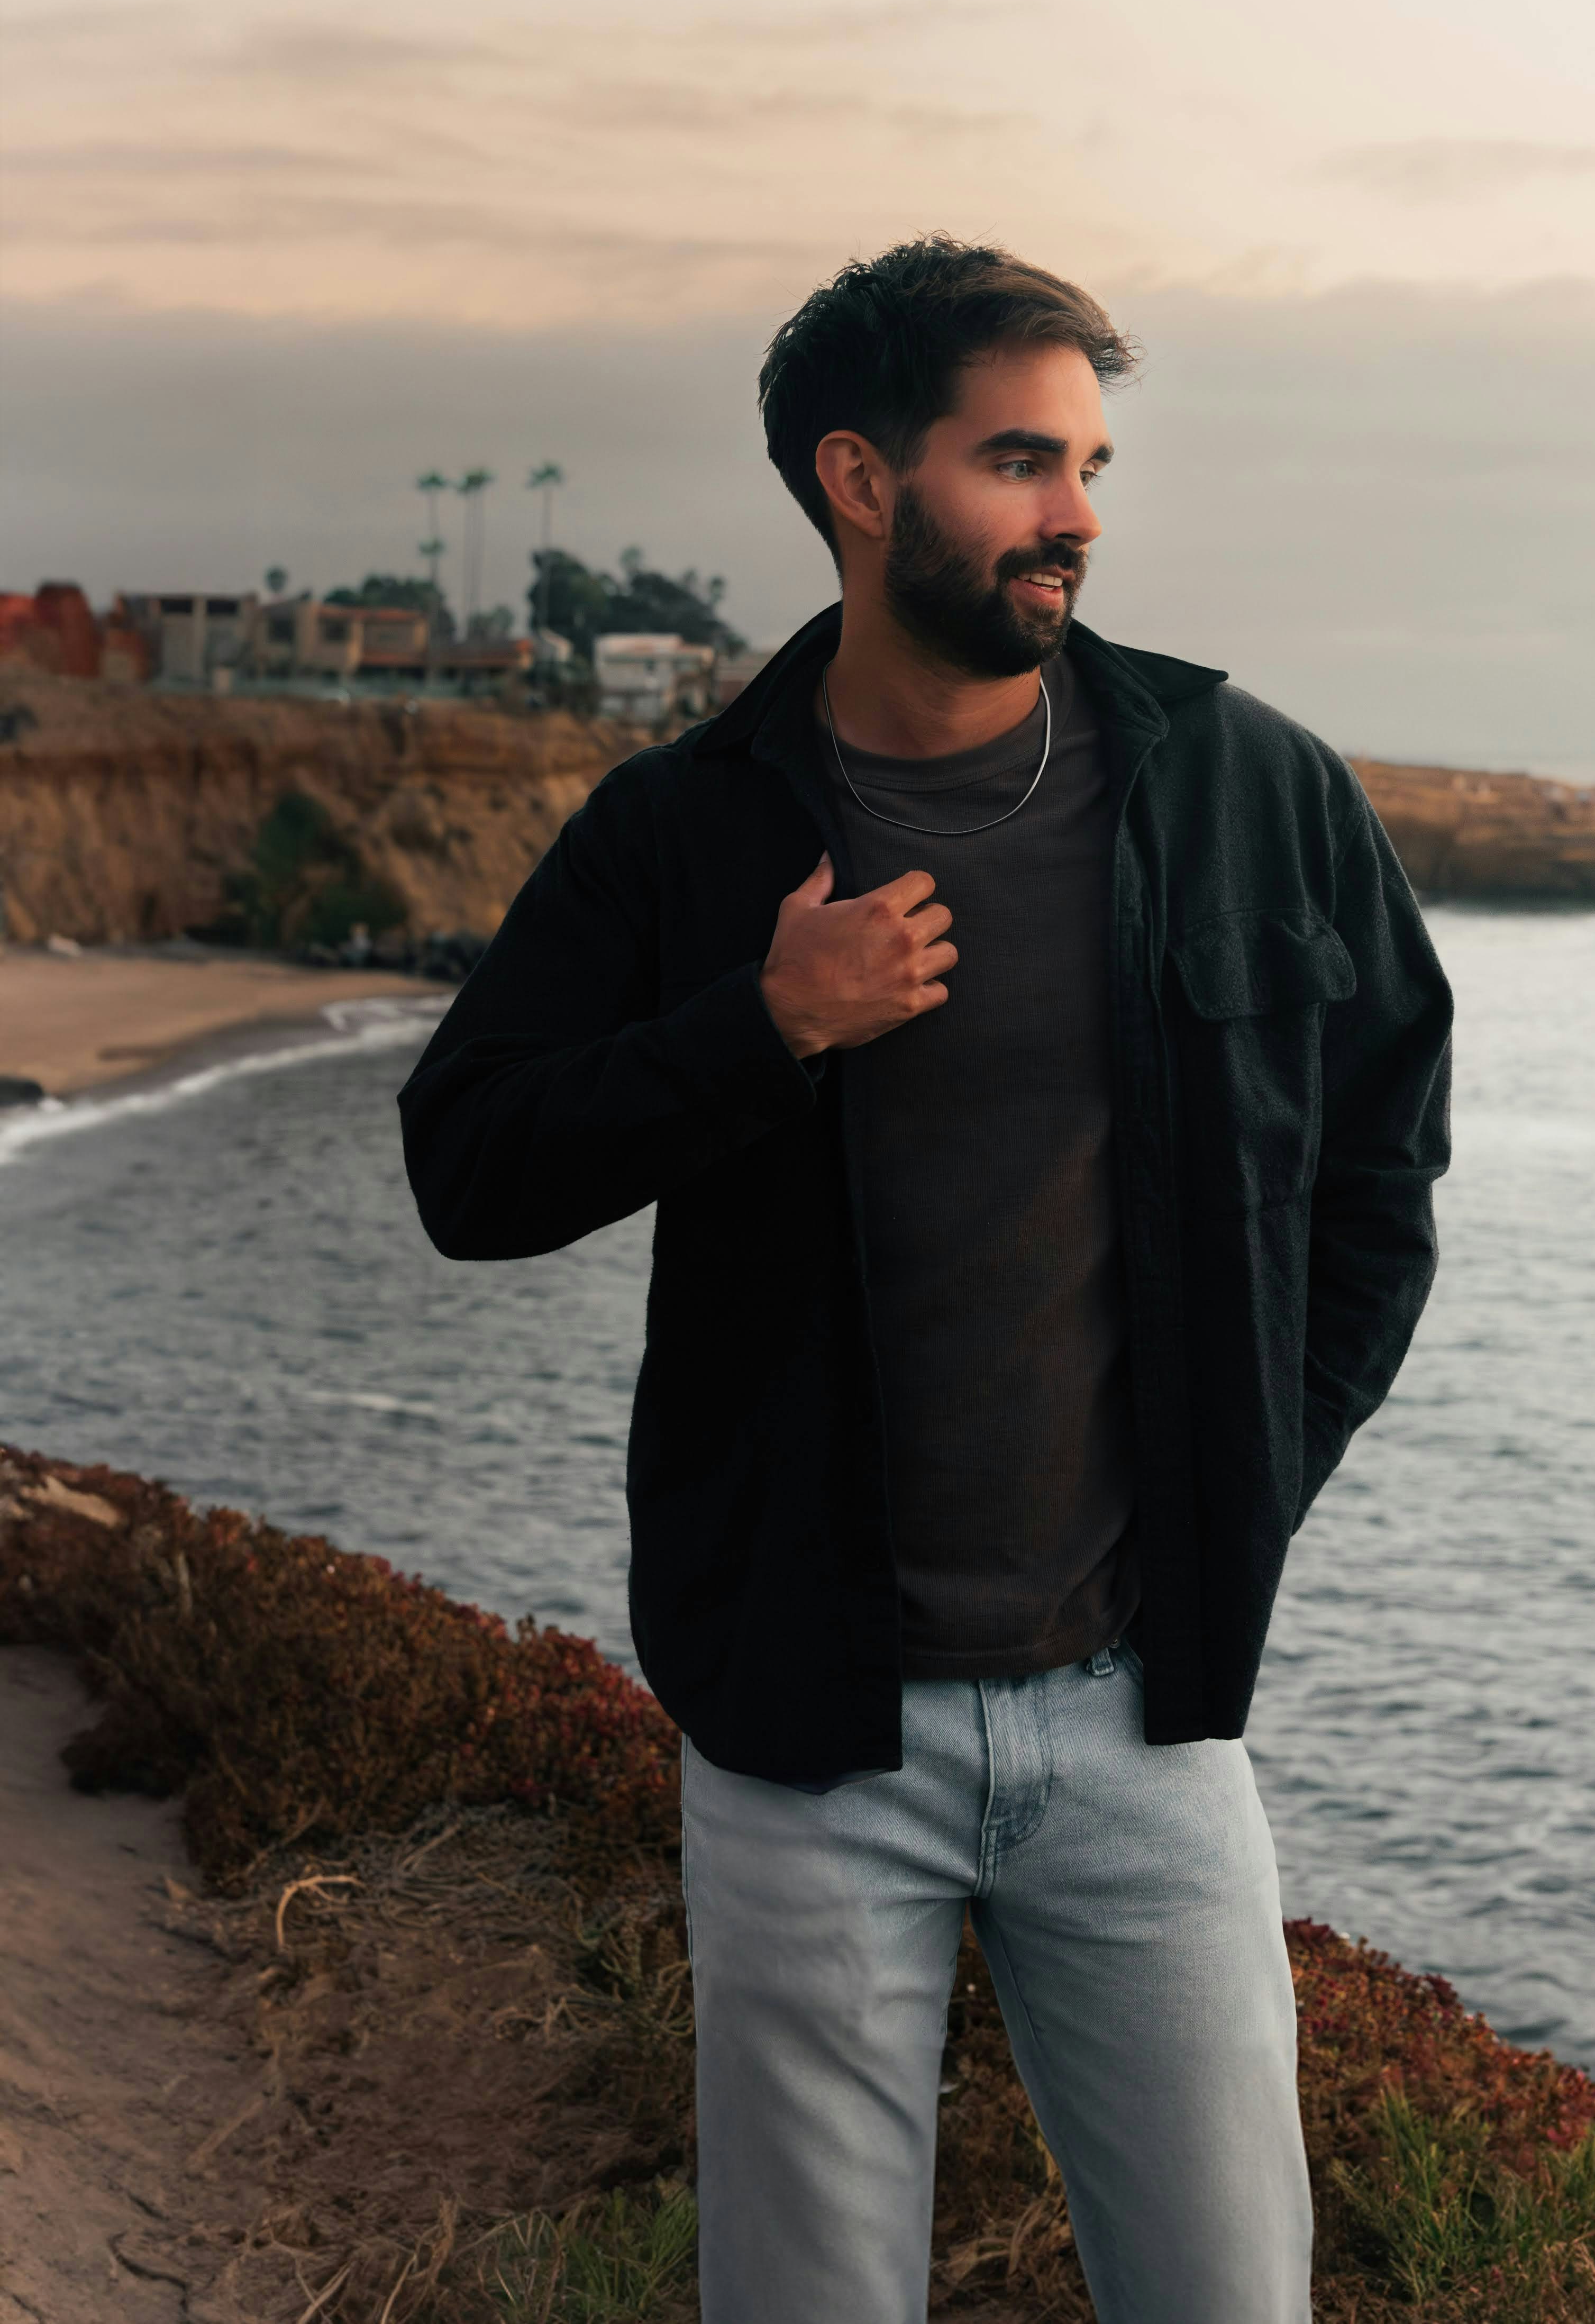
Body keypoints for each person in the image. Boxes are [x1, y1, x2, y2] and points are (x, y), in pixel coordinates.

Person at [399, 235, 1452, 2324]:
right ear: (862, 480)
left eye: (1088, 464)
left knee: (1231, 2292)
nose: (1077, 513)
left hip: (1147, 1718)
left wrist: (1242, 1475)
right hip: (808, 1737)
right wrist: (761, 1024)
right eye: (1017, 461)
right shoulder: (685, 833)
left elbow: (1378, 1171)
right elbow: (470, 1167)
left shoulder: (1243, 787)